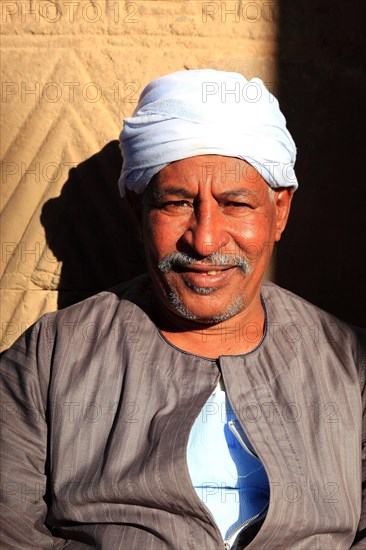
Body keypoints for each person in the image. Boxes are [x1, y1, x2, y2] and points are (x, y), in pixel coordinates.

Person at [0, 69, 364, 549]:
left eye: (235, 205)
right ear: (137, 210)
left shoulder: (350, 365)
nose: (205, 239)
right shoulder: (51, 356)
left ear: (280, 212)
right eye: (176, 203)